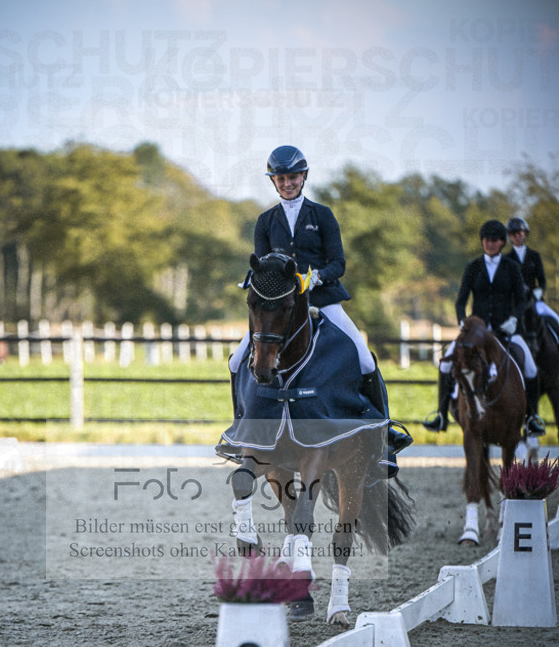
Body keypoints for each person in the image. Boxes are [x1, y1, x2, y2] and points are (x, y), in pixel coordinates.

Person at [228, 145, 412, 465]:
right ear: (274, 181)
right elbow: (264, 263)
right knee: (235, 361)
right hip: (283, 306)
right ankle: (244, 429)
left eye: (293, 177)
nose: (287, 183)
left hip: (323, 300)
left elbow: (338, 262)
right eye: (281, 178)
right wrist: (253, 281)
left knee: (364, 357)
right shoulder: (266, 220)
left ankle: (384, 432)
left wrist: (315, 279)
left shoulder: (322, 215)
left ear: (304, 177)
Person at [423, 219, 545, 436]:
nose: (490, 244)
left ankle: (531, 418)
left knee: (531, 369)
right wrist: (462, 320)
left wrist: (515, 320)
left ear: (502, 243)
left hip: (506, 329)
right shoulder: (473, 267)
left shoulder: (512, 267)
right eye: (487, 240)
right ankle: (441, 414)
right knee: (444, 364)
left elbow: (519, 300)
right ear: (482, 242)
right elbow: (461, 300)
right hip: (476, 332)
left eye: (495, 240)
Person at [506, 216, 559, 330]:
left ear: (525, 234)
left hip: (535, 299)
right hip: (515, 302)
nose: (518, 237)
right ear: (510, 237)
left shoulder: (534, 256)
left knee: (556, 319)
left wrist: (538, 292)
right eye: (514, 234)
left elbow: (542, 280)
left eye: (520, 233)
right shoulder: (506, 259)